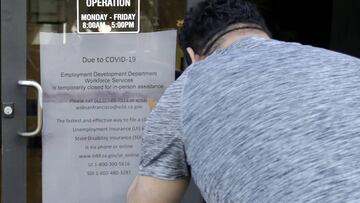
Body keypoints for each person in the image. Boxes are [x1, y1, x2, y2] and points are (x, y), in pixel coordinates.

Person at [127, 0, 360, 202]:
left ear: (192, 56)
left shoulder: (188, 85)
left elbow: (146, 200)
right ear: (264, 36)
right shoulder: (349, 66)